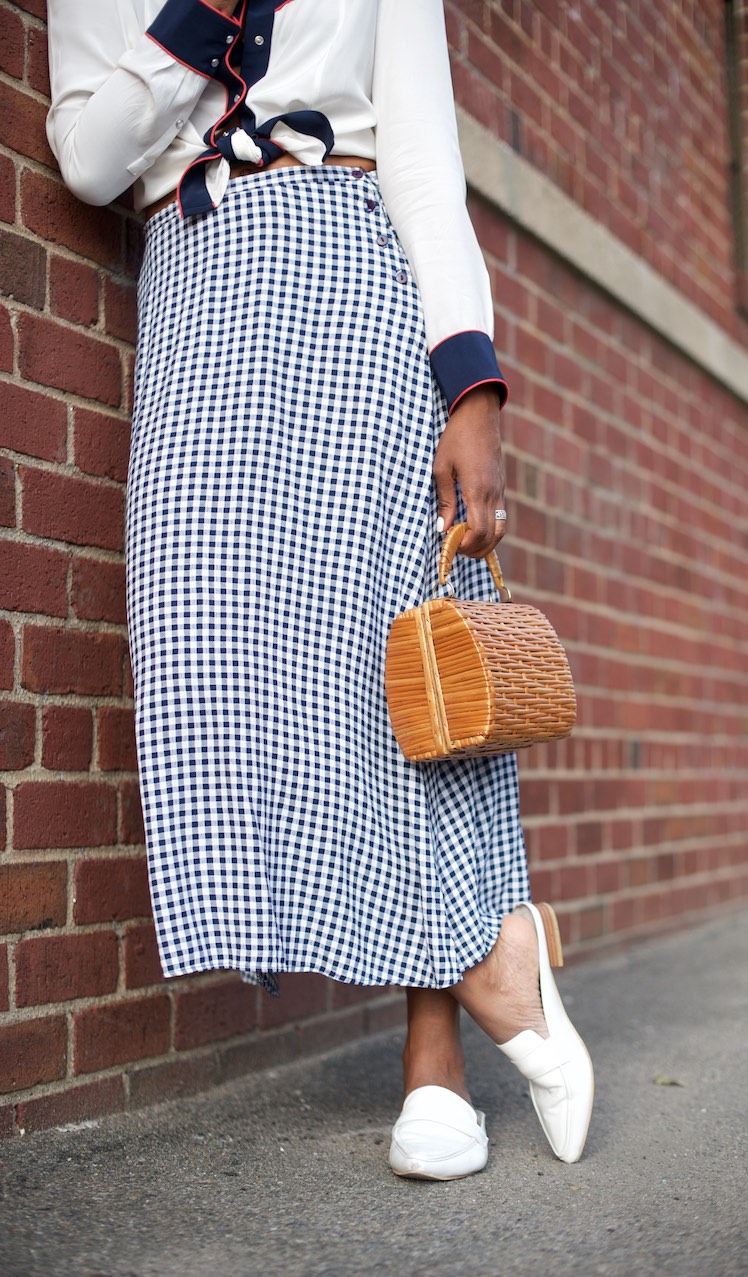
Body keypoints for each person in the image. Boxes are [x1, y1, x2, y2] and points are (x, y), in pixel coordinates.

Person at [45, 0, 593, 1179]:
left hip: (355, 269)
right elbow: (88, 160)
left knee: (388, 650)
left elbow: (423, 161)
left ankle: (435, 1056)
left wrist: (470, 386)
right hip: (199, 294)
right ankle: (496, 947)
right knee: (200, 647)